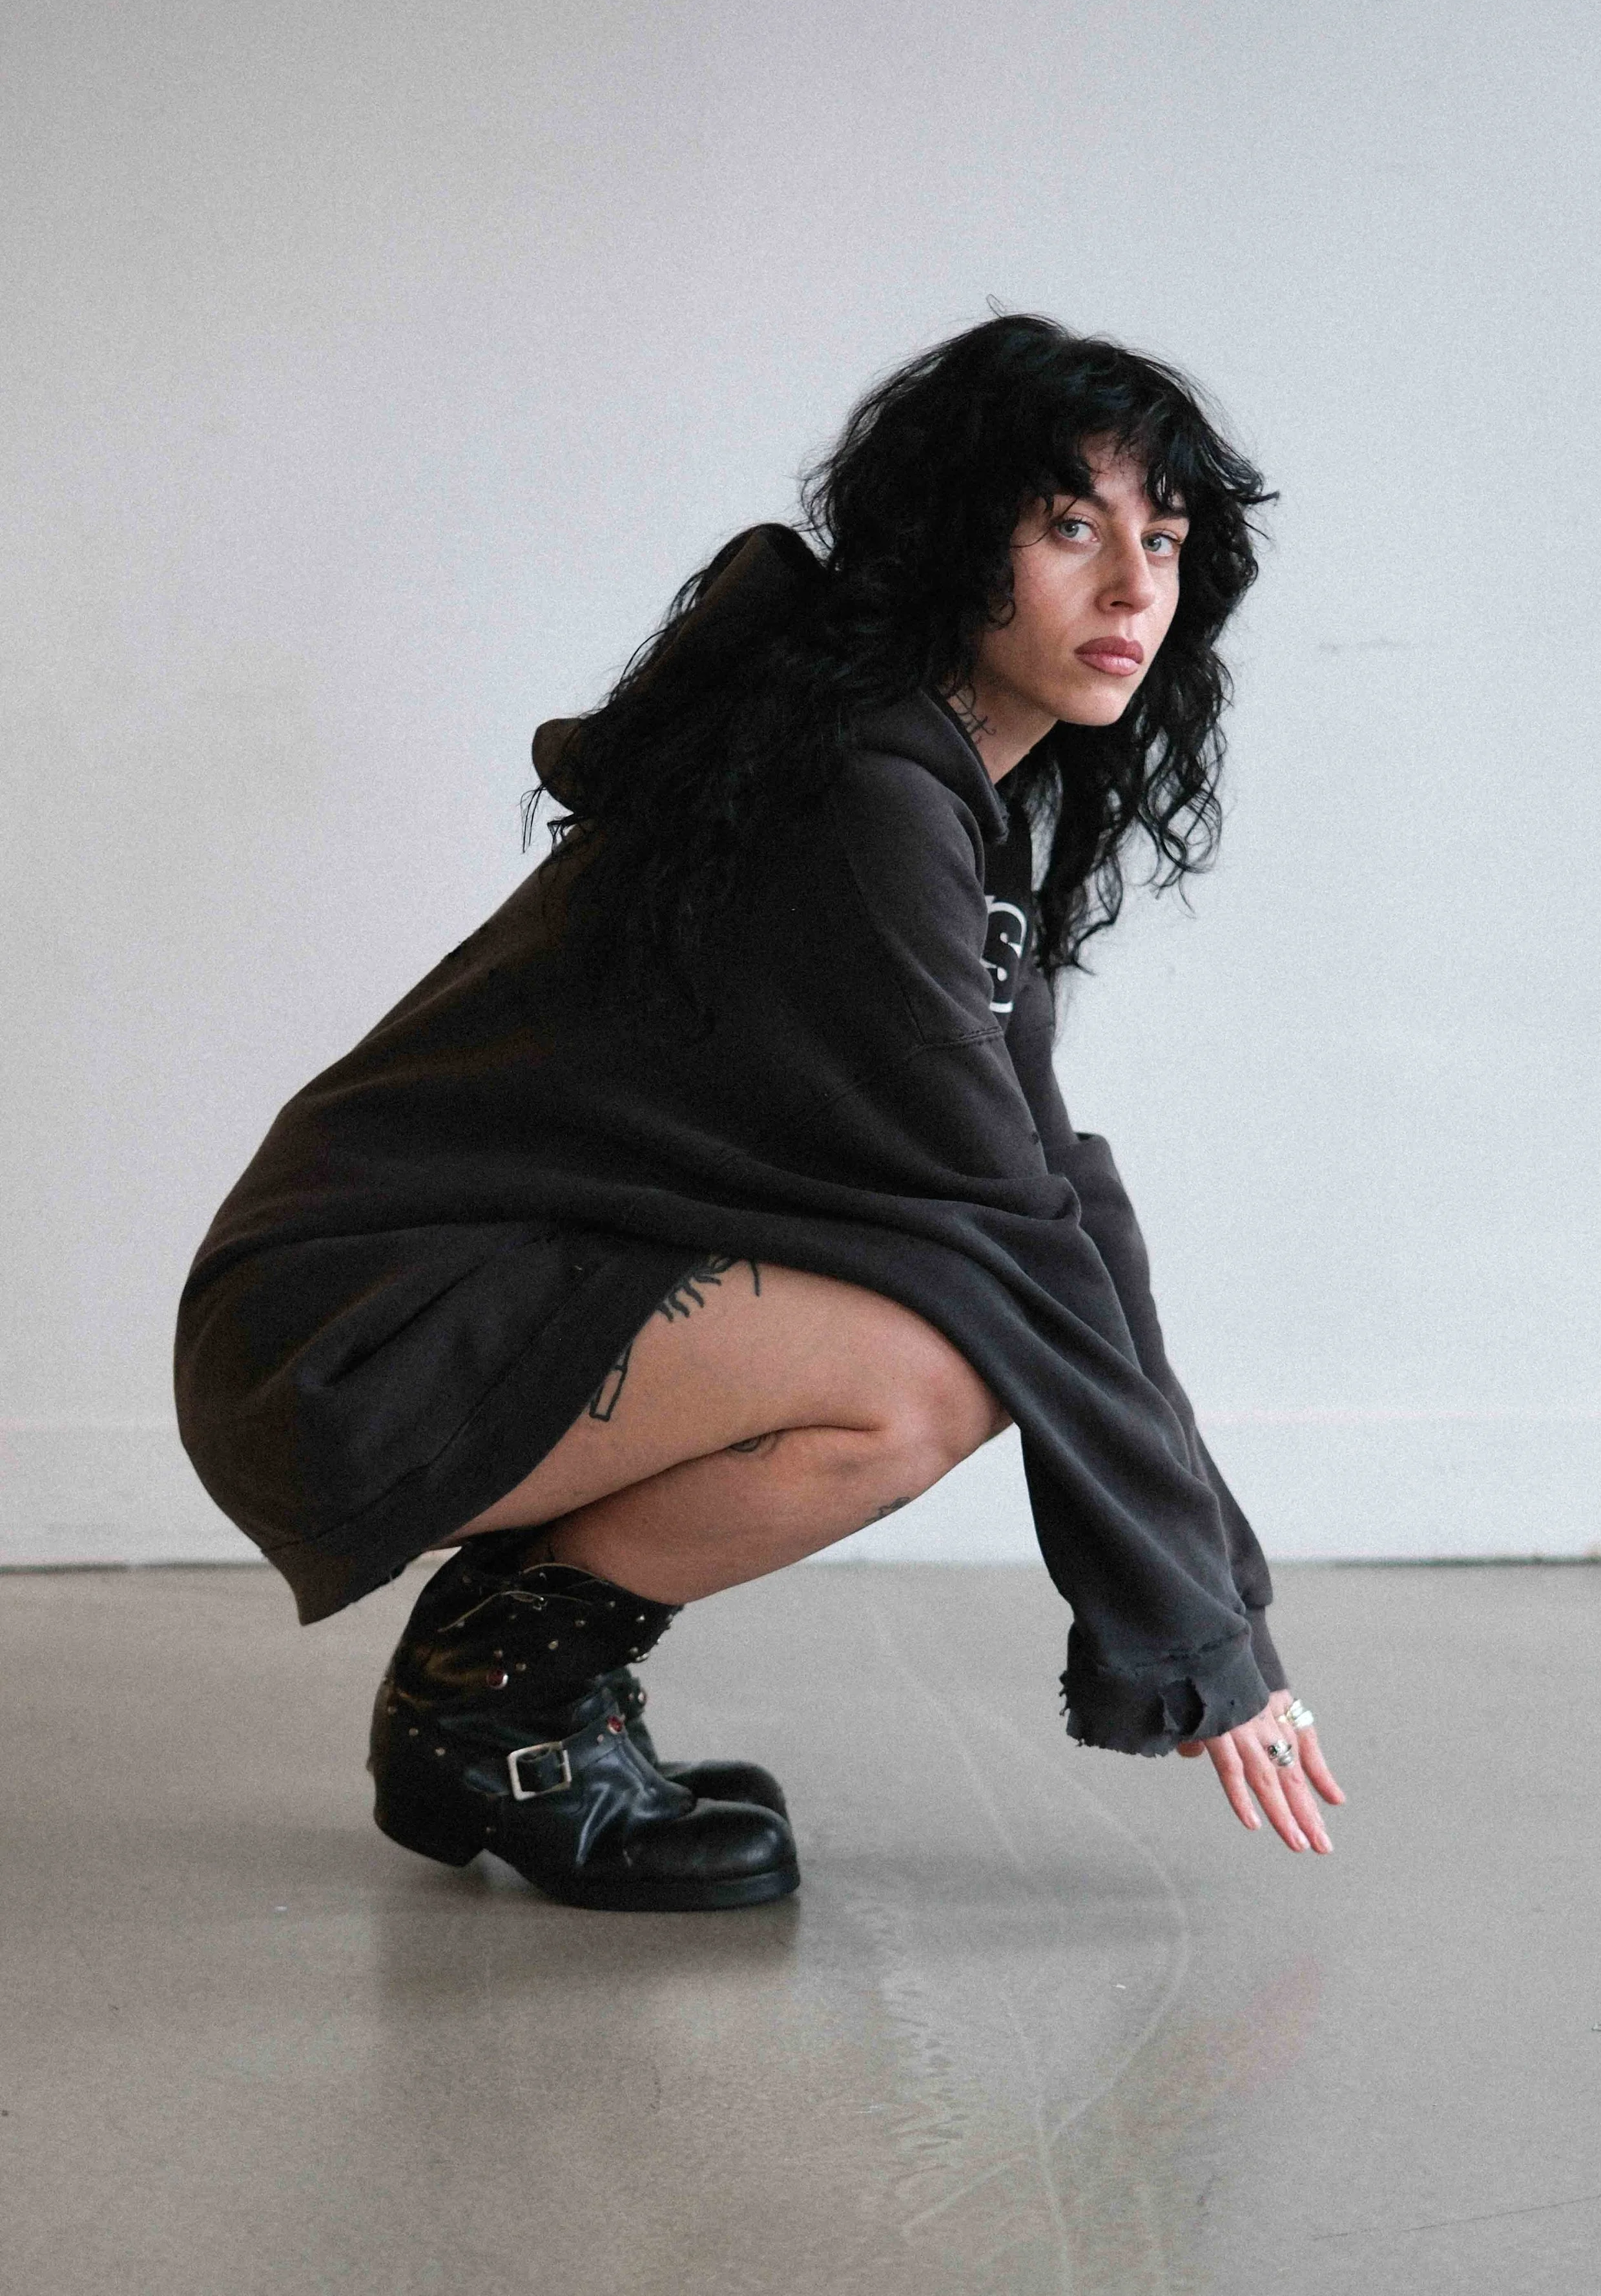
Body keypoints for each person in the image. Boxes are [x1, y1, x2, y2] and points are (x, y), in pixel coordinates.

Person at [174, 313, 1345, 1913]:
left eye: (1163, 538)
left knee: (957, 1321)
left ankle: (504, 1696)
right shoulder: (862, 793)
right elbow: (1011, 1240)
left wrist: (1228, 1620)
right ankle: (497, 1715)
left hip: (436, 1301)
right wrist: (1200, 1642)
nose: (1133, 587)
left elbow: (1061, 1202)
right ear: (953, 533)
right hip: (343, 1338)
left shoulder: (938, 801)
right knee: (929, 1368)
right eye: (1069, 525)